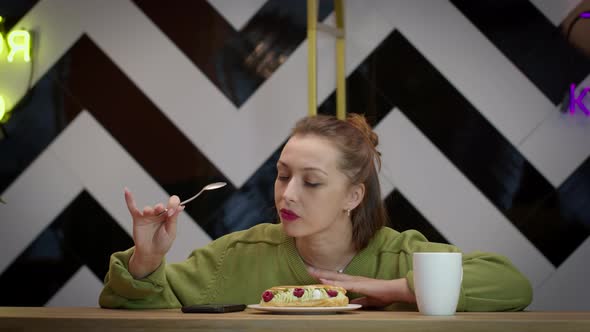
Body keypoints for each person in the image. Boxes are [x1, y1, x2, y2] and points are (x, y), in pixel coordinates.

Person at [99, 114, 532, 311]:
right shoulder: (238, 256)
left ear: (353, 197)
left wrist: (395, 289)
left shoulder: (400, 254)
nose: (287, 195)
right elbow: (141, 305)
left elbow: (511, 284)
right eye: (282, 175)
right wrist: (148, 260)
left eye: (311, 181)